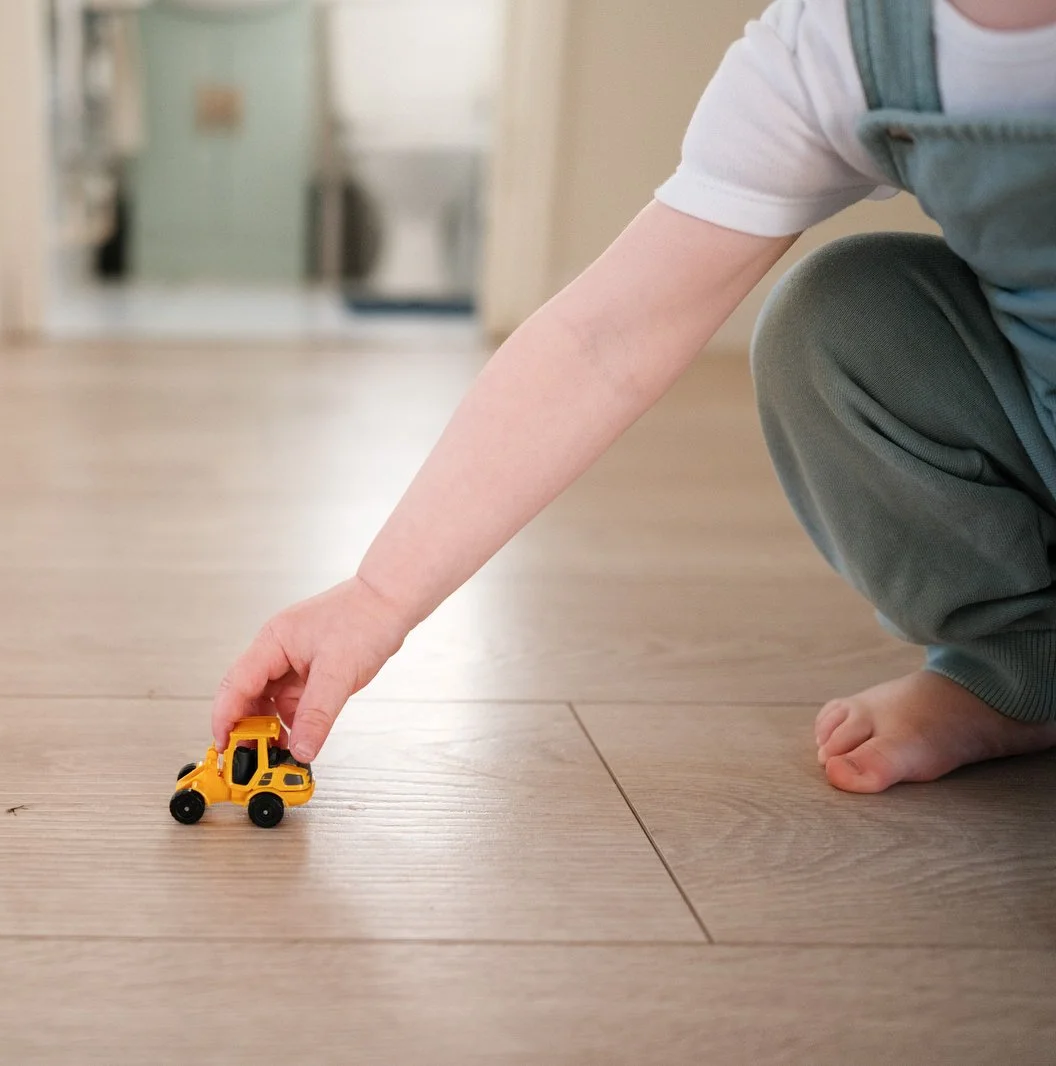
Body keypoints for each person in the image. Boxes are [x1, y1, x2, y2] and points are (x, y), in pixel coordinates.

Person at [210, 0, 1056, 794]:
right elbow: (603, 338)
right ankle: (1025, 659)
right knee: (835, 320)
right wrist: (377, 599)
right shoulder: (843, 44)